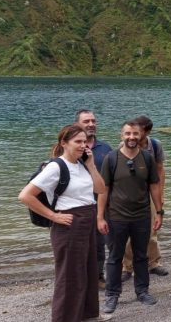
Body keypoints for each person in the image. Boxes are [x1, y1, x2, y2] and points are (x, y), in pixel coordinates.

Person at [18, 124, 110, 322]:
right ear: (63, 143)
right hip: (69, 224)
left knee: (87, 270)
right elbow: (25, 196)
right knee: (69, 275)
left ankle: (87, 314)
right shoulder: (55, 167)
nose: (83, 145)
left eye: (84, 141)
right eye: (77, 141)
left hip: (87, 221)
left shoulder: (83, 164)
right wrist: (54, 216)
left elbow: (101, 189)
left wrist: (92, 165)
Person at [98, 121, 163, 314]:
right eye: (127, 133)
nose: (131, 137)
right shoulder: (112, 159)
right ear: (121, 135)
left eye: (135, 134)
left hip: (142, 215)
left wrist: (159, 212)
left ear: (141, 135)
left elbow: (154, 186)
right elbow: (103, 190)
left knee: (141, 255)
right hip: (116, 216)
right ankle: (112, 294)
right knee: (115, 257)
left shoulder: (147, 158)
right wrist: (100, 217)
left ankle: (142, 291)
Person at [121, 115, 168, 282]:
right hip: (131, 192)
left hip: (151, 190)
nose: (134, 135)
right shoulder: (124, 145)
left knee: (152, 230)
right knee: (128, 232)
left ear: (147, 132)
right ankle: (127, 267)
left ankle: (153, 263)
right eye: (131, 131)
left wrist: (161, 194)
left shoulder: (155, 145)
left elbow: (160, 169)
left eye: (138, 132)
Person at [75, 109, 113, 289]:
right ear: (77, 125)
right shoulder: (70, 147)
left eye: (93, 121)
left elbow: (112, 178)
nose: (91, 124)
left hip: (100, 204)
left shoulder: (105, 148)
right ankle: (78, 278)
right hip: (76, 205)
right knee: (77, 244)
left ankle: (98, 277)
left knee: (99, 244)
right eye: (86, 121)